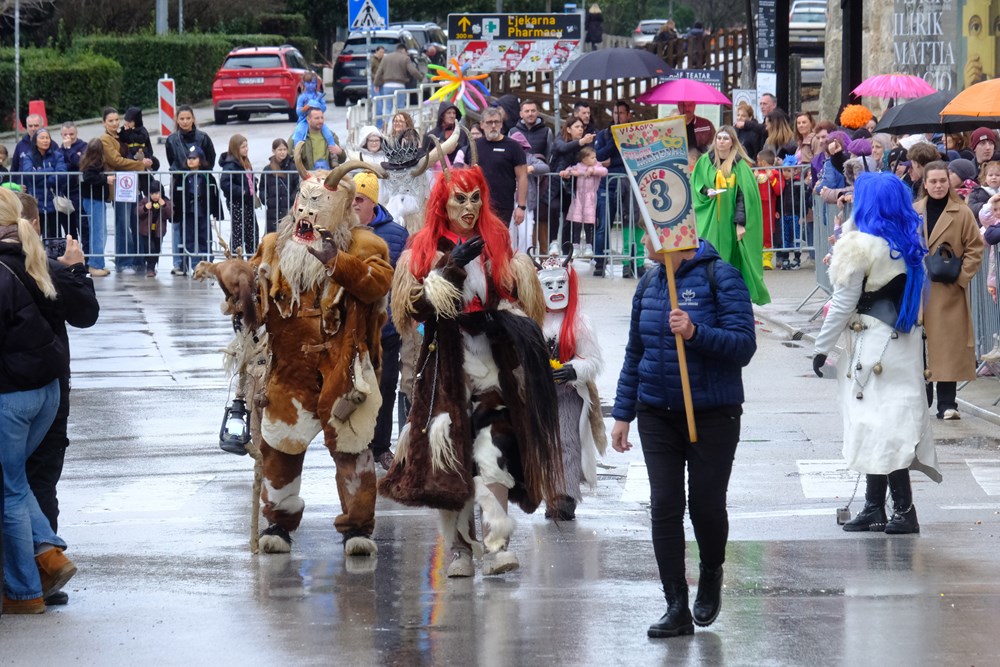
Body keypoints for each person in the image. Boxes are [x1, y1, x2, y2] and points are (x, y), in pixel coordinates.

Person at [379, 165, 563, 578]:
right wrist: (449, 269)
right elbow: (413, 309)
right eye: (459, 199)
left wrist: (506, 319)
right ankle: (460, 549)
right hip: (445, 369)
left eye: (475, 198)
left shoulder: (497, 241)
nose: (469, 207)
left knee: (494, 449)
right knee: (451, 458)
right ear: (442, 203)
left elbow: (519, 300)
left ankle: (497, 544)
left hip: (493, 366)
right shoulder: (423, 247)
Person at [203, 160, 392, 558]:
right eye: (302, 204)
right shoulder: (275, 244)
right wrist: (235, 281)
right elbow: (256, 294)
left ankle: (357, 527)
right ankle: (278, 522)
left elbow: (377, 285)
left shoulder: (364, 245)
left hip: (343, 368)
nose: (306, 213)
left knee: (352, 449)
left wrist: (336, 261)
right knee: (279, 450)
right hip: (290, 371)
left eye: (317, 205)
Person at [610, 232, 757, 638]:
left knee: (706, 507)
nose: (643, 239)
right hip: (656, 412)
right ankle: (675, 604)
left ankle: (711, 570)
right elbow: (635, 352)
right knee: (665, 504)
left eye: (649, 232)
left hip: (712, 413)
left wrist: (695, 332)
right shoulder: (649, 283)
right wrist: (622, 413)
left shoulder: (720, 277)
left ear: (671, 235)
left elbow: (744, 346)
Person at [812, 172, 938, 535]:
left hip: (872, 342)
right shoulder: (908, 243)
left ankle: (902, 510)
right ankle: (875, 507)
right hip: (903, 342)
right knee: (887, 422)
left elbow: (843, 302)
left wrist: (821, 348)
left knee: (877, 424)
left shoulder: (859, 244)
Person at [15, 192, 99, 607]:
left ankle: (29, 575)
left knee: (18, 483)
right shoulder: (44, 268)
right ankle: (42, 571)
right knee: (33, 481)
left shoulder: (42, 267)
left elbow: (84, 314)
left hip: (26, 389)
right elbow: (85, 313)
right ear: (35, 225)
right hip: (46, 388)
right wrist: (76, 269)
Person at [0, 187, 80, 614]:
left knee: (11, 488)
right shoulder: (35, 260)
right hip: (46, 391)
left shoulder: (5, 268)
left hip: (14, 396)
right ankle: (49, 555)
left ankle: (25, 591)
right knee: (13, 482)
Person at [915, 161, 985, 420]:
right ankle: (922, 398)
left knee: (948, 347)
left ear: (949, 182)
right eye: (933, 181)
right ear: (925, 184)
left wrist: (961, 278)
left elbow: (975, 248)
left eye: (942, 181)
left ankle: (947, 403)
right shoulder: (914, 211)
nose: (938, 186)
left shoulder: (962, 212)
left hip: (948, 289)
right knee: (919, 346)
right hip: (918, 289)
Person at [538, 252, 605, 521]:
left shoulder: (580, 322)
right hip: (540, 393)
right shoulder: (533, 320)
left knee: (567, 440)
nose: (555, 290)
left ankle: (564, 496)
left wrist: (573, 369)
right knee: (544, 443)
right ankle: (548, 491)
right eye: (549, 285)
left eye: (560, 284)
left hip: (569, 391)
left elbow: (593, 360)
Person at [352, 172, 408, 472]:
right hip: (351, 327)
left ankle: (381, 446)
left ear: (372, 201)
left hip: (386, 327)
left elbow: (404, 277)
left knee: (386, 386)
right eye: (351, 199)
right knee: (353, 387)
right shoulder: (342, 230)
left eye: (359, 199)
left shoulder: (397, 234)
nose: (353, 204)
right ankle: (355, 445)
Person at [691, 125, 771, 305]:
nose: (721, 141)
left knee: (731, 260)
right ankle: (708, 295)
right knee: (708, 254)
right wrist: (706, 191)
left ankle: (730, 298)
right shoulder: (705, 161)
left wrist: (740, 223)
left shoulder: (739, 165)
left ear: (732, 142)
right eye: (719, 138)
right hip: (710, 219)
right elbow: (697, 184)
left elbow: (744, 196)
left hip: (729, 221)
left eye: (725, 138)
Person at [98, 107, 152, 273]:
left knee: (136, 223)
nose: (115, 123)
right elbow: (116, 161)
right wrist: (139, 165)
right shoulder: (105, 139)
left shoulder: (123, 134)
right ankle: (123, 261)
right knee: (123, 224)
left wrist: (147, 160)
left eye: (116, 120)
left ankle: (139, 259)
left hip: (132, 185)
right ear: (104, 123)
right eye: (110, 121)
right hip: (118, 188)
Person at [164, 105, 216, 276]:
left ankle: (204, 262)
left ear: (193, 119)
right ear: (177, 120)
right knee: (178, 224)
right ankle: (179, 263)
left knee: (201, 227)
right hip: (179, 187)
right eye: (182, 119)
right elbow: (171, 159)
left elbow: (210, 159)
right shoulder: (172, 140)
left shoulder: (203, 138)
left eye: (188, 118)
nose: (185, 122)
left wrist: (198, 172)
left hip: (199, 188)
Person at [595, 101, 641, 277]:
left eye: (621, 113)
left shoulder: (635, 134)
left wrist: (613, 161)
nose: (618, 116)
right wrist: (615, 140)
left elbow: (634, 157)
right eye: (615, 112)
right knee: (604, 224)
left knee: (631, 224)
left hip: (629, 185)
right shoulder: (604, 134)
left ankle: (631, 263)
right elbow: (599, 156)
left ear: (628, 115)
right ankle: (600, 261)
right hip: (608, 184)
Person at [475, 107, 528, 229]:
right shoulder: (474, 146)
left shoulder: (513, 147)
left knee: (498, 238)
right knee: (478, 239)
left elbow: (522, 176)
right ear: (482, 124)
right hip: (477, 205)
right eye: (489, 122)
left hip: (502, 205)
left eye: (497, 122)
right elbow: (466, 174)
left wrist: (521, 207)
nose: (493, 126)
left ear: (501, 124)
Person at [549, 117, 596, 253]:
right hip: (556, 185)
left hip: (574, 187)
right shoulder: (560, 139)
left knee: (569, 218)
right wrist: (581, 142)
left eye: (582, 127)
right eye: (577, 127)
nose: (580, 129)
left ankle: (567, 250)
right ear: (569, 129)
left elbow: (590, 160)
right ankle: (553, 241)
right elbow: (563, 148)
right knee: (554, 209)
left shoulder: (585, 146)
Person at [176, 145, 222, 273]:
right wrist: (176, 212)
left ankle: (208, 263)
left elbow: (214, 194)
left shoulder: (207, 176)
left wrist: (217, 211)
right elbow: (177, 196)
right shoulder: (182, 176)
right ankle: (190, 265)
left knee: (205, 238)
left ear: (200, 160)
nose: (190, 160)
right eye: (189, 158)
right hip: (188, 211)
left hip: (202, 210)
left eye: (194, 158)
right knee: (188, 239)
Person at [18, 128, 67, 239]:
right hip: (36, 203)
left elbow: (62, 174)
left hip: (53, 203)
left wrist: (45, 181)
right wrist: (49, 170)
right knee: (35, 236)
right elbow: (29, 175)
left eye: (47, 138)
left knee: (55, 236)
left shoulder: (57, 155)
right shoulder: (29, 157)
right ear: (35, 141)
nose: (45, 140)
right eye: (42, 138)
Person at [560, 146, 607, 258]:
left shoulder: (597, 166)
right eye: (592, 158)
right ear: (584, 159)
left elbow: (604, 171)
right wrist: (567, 172)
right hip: (578, 197)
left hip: (590, 198)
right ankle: (575, 246)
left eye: (595, 157)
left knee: (588, 223)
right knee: (576, 222)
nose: (595, 159)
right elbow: (570, 169)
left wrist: (593, 170)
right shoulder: (579, 166)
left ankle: (588, 246)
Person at [509, 131, 550, 254]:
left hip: (526, 202)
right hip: (508, 200)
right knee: (509, 234)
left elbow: (545, 167)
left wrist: (530, 168)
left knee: (526, 234)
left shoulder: (529, 158)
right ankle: (509, 259)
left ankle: (526, 258)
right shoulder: (505, 156)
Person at [219, 134, 259, 255]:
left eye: (247, 146)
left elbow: (249, 177)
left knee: (252, 231)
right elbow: (225, 183)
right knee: (238, 232)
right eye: (243, 147)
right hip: (237, 203)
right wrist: (241, 191)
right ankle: (235, 258)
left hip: (248, 202)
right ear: (236, 148)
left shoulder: (245, 161)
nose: (246, 149)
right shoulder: (230, 165)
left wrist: (254, 184)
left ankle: (252, 258)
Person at [78, 139, 112, 276]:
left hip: (94, 200)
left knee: (99, 232)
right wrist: (105, 179)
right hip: (94, 200)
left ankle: (98, 263)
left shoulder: (87, 161)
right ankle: (95, 264)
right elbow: (89, 177)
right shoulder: (94, 164)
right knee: (98, 233)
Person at [257, 138, 299, 235]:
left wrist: (291, 199)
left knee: (288, 235)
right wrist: (266, 200)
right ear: (273, 151)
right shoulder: (268, 169)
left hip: (288, 209)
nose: (282, 152)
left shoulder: (293, 167)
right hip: (273, 210)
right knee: (272, 237)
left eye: (284, 149)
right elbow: (262, 188)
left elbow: (298, 186)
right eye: (280, 150)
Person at [57, 122, 87, 251]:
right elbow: (60, 166)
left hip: (79, 192)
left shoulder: (84, 146)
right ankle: (72, 255)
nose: (68, 137)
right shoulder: (58, 150)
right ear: (61, 135)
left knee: (83, 226)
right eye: (65, 134)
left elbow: (80, 164)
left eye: (71, 134)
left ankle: (87, 256)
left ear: (76, 133)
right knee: (69, 229)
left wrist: (69, 149)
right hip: (64, 192)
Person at [136, 182, 173, 277]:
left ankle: (152, 266)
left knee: (156, 249)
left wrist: (164, 205)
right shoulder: (145, 201)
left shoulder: (165, 201)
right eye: (152, 193)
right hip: (146, 231)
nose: (155, 196)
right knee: (150, 248)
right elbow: (137, 212)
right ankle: (150, 268)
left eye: (157, 193)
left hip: (158, 231)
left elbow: (170, 214)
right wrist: (145, 208)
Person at [755, 149, 782, 270]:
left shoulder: (775, 173)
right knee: (756, 231)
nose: (757, 163)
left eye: (758, 160)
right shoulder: (755, 172)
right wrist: (754, 178)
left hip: (769, 206)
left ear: (763, 162)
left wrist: (771, 177)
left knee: (767, 232)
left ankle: (767, 259)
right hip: (756, 205)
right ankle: (757, 258)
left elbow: (778, 190)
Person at [373, 44, 420, 111]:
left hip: (387, 86)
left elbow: (379, 72)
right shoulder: (405, 58)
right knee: (400, 107)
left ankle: (387, 118)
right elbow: (413, 71)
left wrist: (376, 84)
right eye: (406, 52)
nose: (406, 54)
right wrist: (420, 78)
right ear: (403, 50)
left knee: (387, 107)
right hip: (399, 85)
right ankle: (399, 117)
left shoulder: (386, 58)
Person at [423, 103, 468, 168]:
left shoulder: (462, 133)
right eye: (449, 113)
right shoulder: (430, 136)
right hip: (437, 172)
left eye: (454, 113)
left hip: (460, 170)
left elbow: (468, 153)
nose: (452, 116)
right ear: (442, 115)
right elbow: (425, 159)